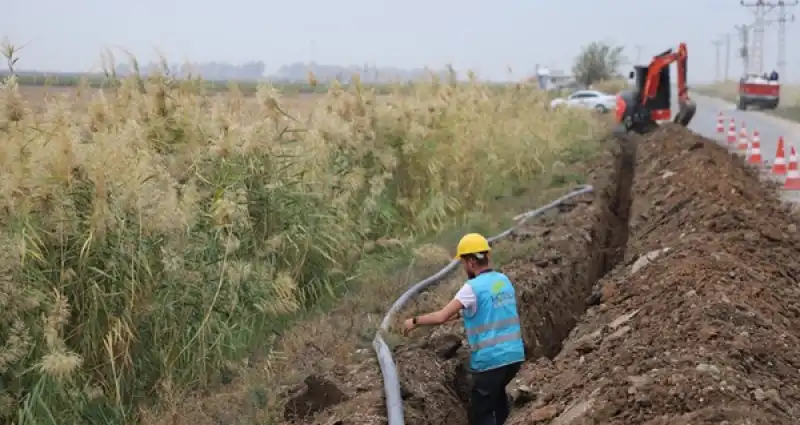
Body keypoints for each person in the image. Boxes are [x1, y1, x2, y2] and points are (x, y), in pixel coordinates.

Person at [403, 233, 525, 425]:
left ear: (470, 262)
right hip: (514, 356)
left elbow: (442, 315)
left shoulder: (472, 288)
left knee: (481, 411)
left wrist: (416, 321)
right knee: (499, 397)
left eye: (462, 263)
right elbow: (481, 309)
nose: (463, 268)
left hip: (490, 360)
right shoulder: (503, 281)